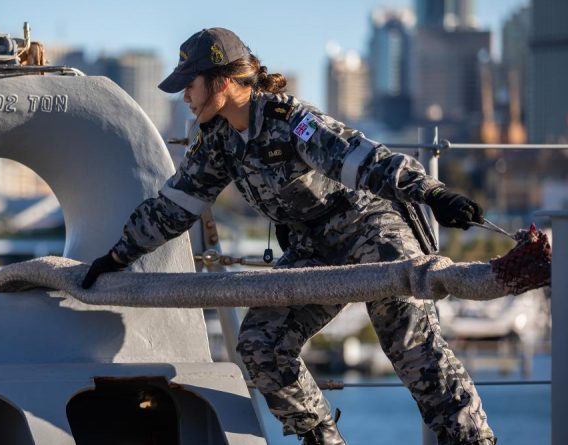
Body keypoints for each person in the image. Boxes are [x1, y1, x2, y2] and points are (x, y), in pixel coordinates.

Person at [81, 28, 495, 445]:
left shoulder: (290, 121)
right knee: (262, 344)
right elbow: (174, 206)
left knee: (411, 345)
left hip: (369, 227)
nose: (184, 97)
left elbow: (360, 157)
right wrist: (117, 257)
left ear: (222, 81)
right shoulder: (220, 142)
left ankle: (472, 440)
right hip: (313, 247)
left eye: (190, 85)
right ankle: (322, 440)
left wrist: (432, 192)